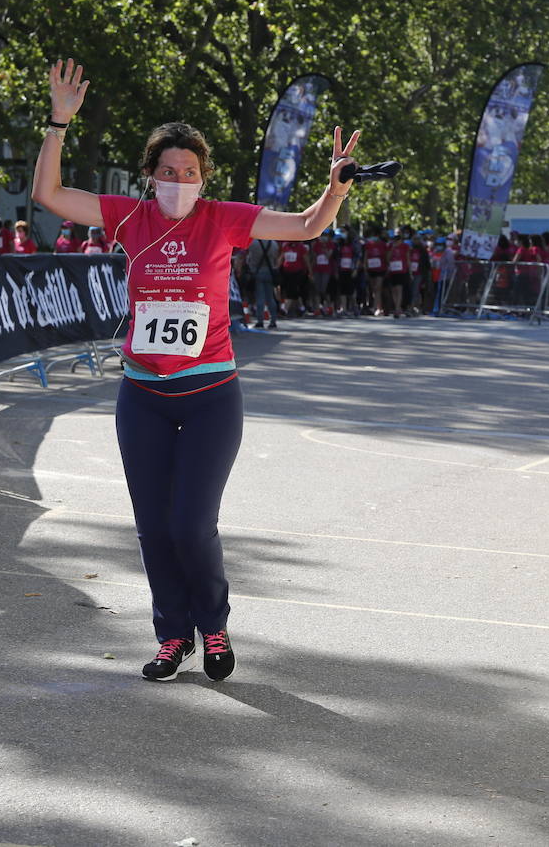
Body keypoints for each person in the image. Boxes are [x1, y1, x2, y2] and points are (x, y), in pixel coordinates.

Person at [31, 58, 362, 682]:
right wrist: (58, 123)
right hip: (143, 396)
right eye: (167, 172)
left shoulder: (224, 219)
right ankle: (171, 636)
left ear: (203, 178)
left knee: (191, 524)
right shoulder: (129, 215)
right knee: (154, 528)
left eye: (188, 172)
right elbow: (48, 196)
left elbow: (308, 226)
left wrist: (336, 186)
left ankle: (213, 624)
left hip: (210, 394)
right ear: (150, 177)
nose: (178, 180)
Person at [246, 236, 281, 328]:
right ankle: (273, 321)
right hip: (269, 272)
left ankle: (260, 321)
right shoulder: (273, 243)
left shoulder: (253, 243)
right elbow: (275, 259)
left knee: (260, 299)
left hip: (257, 272)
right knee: (270, 298)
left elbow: (250, 258)